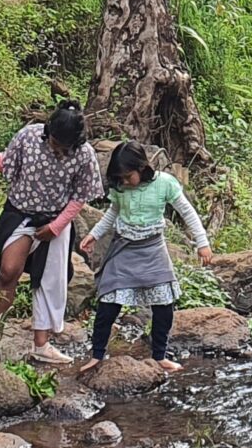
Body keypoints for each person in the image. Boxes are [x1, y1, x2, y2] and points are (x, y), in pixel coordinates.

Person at [0, 102, 101, 365]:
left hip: (55, 221)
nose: (56, 149)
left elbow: (80, 197)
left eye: (63, 147)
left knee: (48, 282)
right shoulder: (29, 136)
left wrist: (56, 227)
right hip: (20, 213)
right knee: (7, 271)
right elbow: (6, 164)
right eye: (53, 142)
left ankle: (42, 345)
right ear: (48, 130)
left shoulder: (84, 155)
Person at [80, 141, 212, 373]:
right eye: (119, 177)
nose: (124, 181)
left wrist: (202, 242)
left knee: (164, 304)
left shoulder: (164, 183)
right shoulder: (120, 188)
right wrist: (94, 234)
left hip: (153, 249)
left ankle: (160, 355)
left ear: (141, 167)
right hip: (124, 248)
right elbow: (113, 213)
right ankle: (97, 354)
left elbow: (186, 211)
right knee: (108, 302)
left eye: (127, 176)